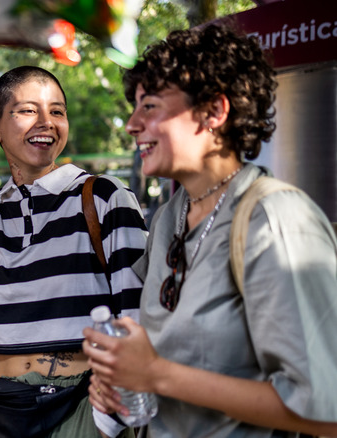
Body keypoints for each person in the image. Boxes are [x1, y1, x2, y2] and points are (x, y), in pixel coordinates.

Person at [82, 24, 337, 437]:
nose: (131, 124)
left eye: (149, 106)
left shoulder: (274, 218)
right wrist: (124, 381)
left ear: (214, 112)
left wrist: (156, 375)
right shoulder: (169, 218)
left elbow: (326, 409)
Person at [0, 66, 148, 438]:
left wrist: (104, 423)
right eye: (27, 110)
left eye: (57, 111)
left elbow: (137, 316)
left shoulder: (104, 197)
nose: (47, 122)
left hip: (83, 410)